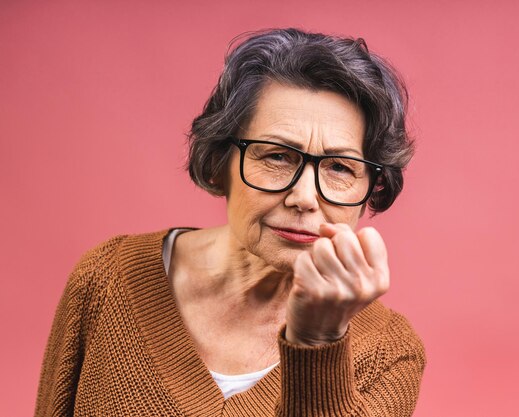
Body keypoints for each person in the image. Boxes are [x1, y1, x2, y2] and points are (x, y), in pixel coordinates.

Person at [35, 28, 426, 416]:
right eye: (276, 157)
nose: (305, 198)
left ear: (372, 187)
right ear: (220, 161)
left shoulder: (388, 354)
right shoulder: (106, 279)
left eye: (340, 167)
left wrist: (317, 341)